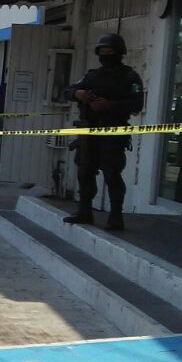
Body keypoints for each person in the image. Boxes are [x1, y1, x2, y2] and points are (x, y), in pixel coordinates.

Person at [63, 33, 144, 231]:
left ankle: (116, 217)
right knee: (84, 173)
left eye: (111, 52)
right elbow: (69, 90)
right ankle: (84, 211)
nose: (106, 55)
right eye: (103, 52)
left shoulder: (130, 77)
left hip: (112, 134)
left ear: (119, 53)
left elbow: (136, 104)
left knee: (112, 175)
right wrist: (78, 93)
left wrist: (110, 105)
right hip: (89, 133)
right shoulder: (92, 75)